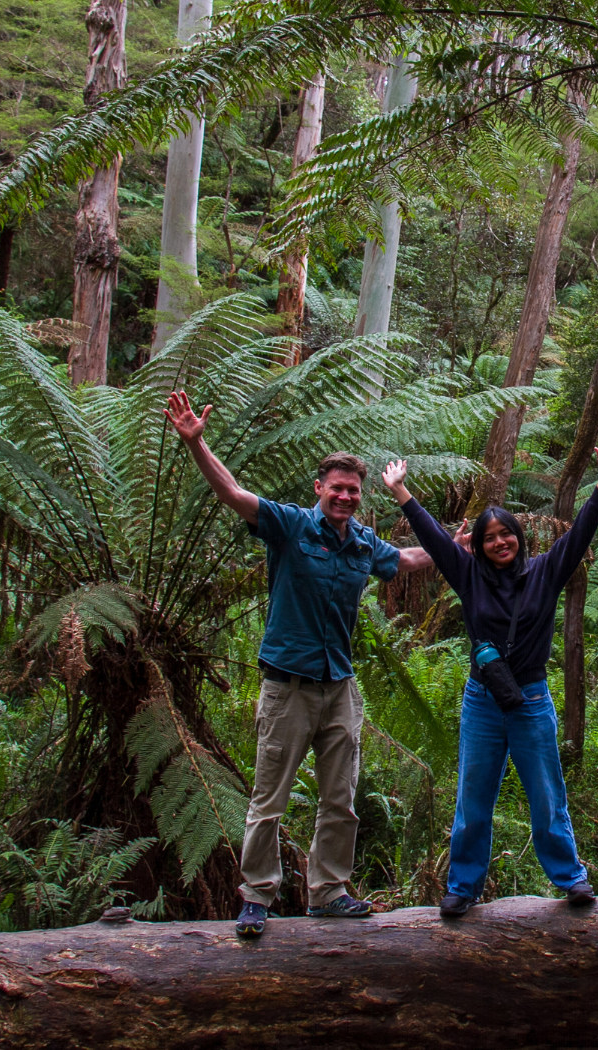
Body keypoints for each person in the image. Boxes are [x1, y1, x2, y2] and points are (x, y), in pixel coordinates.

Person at [164, 390, 433, 937]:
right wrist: (196, 444)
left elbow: (407, 559)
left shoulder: (363, 544)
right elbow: (233, 493)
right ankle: (257, 896)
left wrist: (456, 547)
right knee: (269, 798)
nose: (345, 497)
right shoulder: (289, 526)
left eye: (353, 491)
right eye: (337, 488)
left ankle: (328, 892)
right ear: (319, 489)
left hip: (339, 686)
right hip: (288, 687)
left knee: (340, 797)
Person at [380, 435, 598, 918]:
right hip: (482, 701)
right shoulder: (467, 574)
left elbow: (579, 535)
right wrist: (401, 492)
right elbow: (433, 538)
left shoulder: (546, 573)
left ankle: (571, 878)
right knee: (474, 798)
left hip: (531, 699)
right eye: (490, 537)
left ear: (519, 537)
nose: (500, 542)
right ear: (479, 544)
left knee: (546, 794)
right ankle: (463, 886)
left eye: (506, 534)